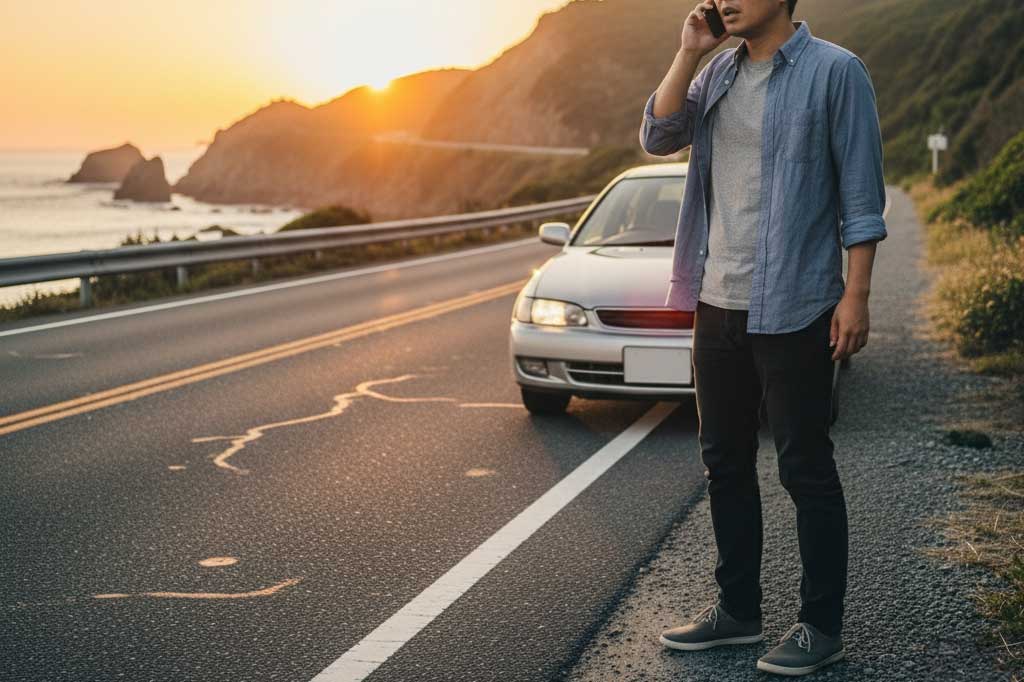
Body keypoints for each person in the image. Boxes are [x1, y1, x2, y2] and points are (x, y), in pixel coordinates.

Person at [638, 0, 887, 676]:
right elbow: (659, 136)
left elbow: (862, 197)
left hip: (797, 305)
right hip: (716, 301)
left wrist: (855, 297)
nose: (723, 0)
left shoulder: (837, 73)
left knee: (804, 465)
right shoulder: (716, 74)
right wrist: (688, 51)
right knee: (724, 461)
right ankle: (738, 611)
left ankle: (820, 625)